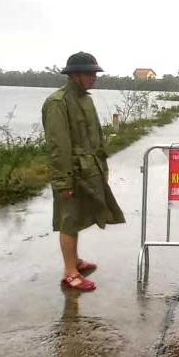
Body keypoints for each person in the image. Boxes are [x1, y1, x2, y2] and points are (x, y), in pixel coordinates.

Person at [43, 52, 125, 292]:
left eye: (95, 73)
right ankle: (70, 272)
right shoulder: (58, 102)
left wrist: (103, 165)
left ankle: (75, 261)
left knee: (79, 217)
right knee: (68, 219)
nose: (94, 78)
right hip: (70, 170)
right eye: (89, 73)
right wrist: (63, 181)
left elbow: (96, 135)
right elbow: (58, 146)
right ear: (75, 74)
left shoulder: (86, 100)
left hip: (90, 168)